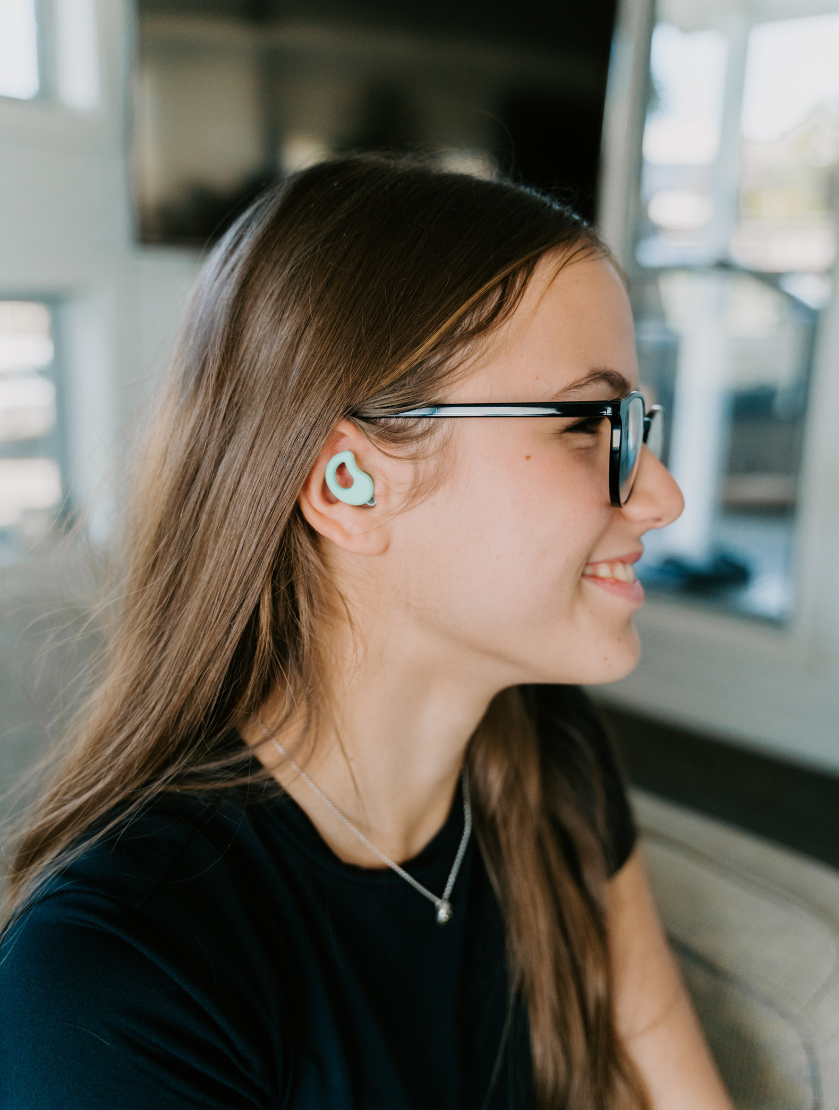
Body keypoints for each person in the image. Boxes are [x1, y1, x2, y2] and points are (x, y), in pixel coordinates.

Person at [0, 155, 733, 1110]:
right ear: (348, 482)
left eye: (636, 421)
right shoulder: (113, 983)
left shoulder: (551, 765)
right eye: (588, 422)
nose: (665, 494)